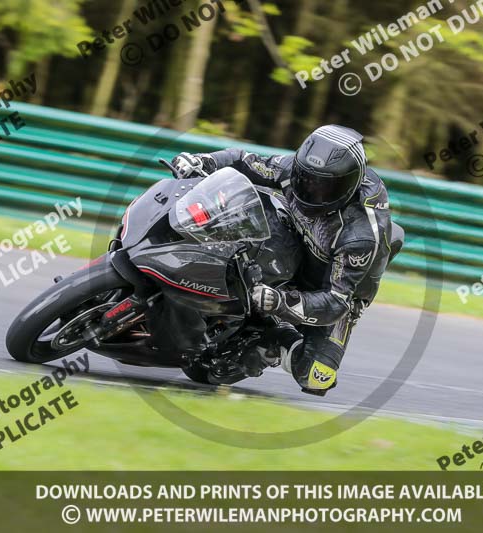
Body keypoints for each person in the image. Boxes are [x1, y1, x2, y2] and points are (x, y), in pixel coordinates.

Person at [171, 125, 403, 396]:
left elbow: (336, 302)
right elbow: (244, 160)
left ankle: (273, 338)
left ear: (349, 187)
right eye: (306, 178)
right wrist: (203, 160)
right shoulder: (295, 169)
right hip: (292, 238)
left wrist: (279, 303)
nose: (310, 189)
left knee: (316, 376)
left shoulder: (359, 235)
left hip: (331, 287)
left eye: (324, 186)